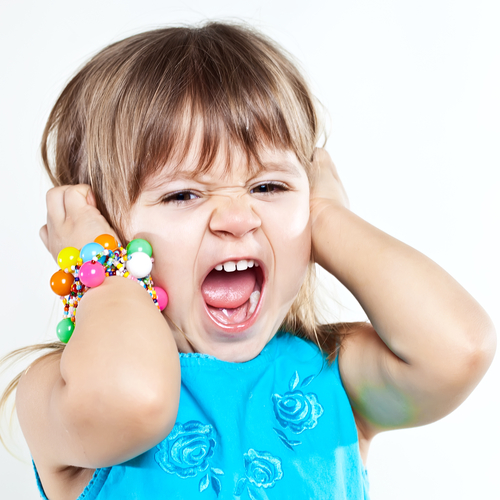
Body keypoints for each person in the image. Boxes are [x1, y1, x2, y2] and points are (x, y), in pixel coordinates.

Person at [1, 22, 495, 499]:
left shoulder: (332, 375)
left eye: (269, 186)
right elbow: (135, 399)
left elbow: (460, 348)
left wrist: (325, 218)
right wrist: (104, 266)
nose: (238, 217)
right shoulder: (63, 386)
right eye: (183, 195)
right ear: (105, 223)